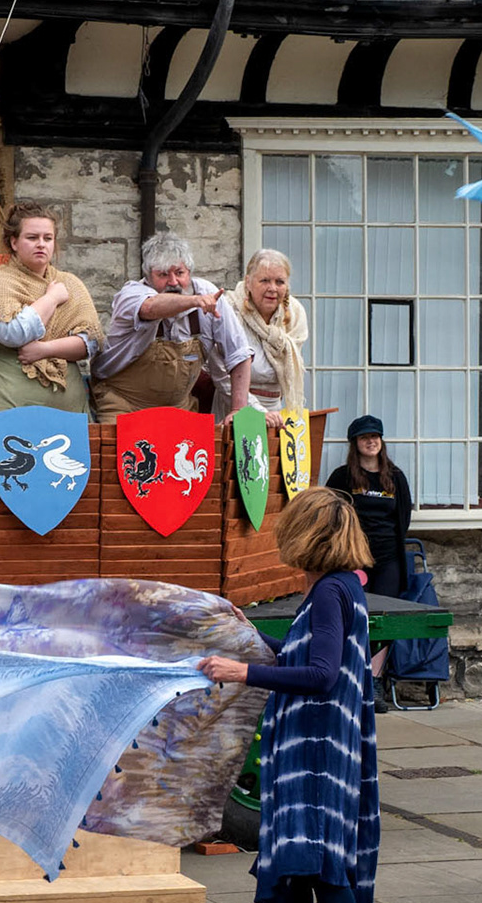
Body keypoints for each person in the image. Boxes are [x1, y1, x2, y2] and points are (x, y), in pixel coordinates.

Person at [197, 487, 378, 903]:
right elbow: (305, 654)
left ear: (310, 537)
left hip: (317, 755)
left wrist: (241, 672)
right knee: (299, 867)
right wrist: (248, 637)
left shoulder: (328, 593)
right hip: (315, 749)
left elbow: (320, 674)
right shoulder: (340, 587)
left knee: (325, 870)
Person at [94, 231, 252, 421]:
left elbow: (239, 354)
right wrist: (193, 301)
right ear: (148, 277)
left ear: (189, 272)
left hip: (178, 408)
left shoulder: (209, 294)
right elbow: (151, 308)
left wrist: (238, 411)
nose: (173, 282)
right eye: (162, 274)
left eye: (179, 273)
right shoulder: (131, 295)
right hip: (123, 405)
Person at [0, 203, 103, 419]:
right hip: (7, 398)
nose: (41, 244)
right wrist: (52, 298)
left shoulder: (70, 283)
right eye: (32, 238)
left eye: (47, 238)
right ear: (14, 242)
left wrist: (45, 350)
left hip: (64, 405)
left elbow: (91, 342)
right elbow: (12, 334)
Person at [326, 415, 414, 708]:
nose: (371, 441)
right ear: (355, 443)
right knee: (354, 617)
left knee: (384, 617)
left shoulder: (395, 477)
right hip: (353, 557)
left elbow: (403, 516)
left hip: (388, 557)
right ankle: (353, 679)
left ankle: (373, 682)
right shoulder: (342, 477)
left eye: (375, 436)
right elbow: (329, 513)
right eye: (365, 437)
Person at [217, 247, 309, 421]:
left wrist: (270, 414)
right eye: (265, 281)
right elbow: (221, 373)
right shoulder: (229, 309)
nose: (272, 288)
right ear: (248, 283)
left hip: (276, 409)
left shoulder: (295, 313)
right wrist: (258, 412)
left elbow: (287, 369)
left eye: (280, 282)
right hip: (234, 406)